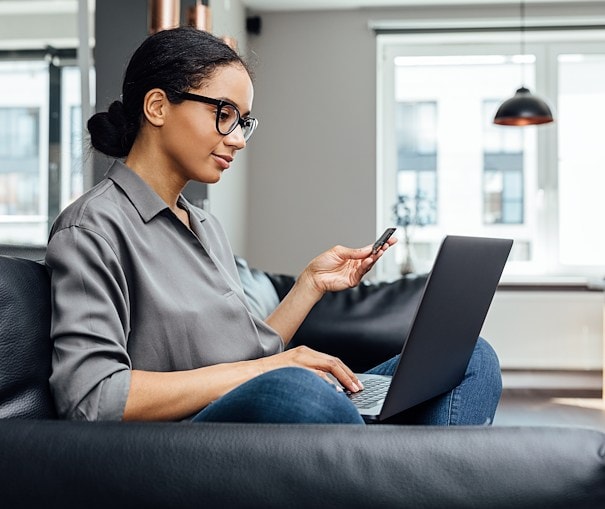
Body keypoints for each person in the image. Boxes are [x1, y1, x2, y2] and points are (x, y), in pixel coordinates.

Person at [45, 27, 501, 425]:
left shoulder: (203, 224)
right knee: (297, 390)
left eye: (243, 121)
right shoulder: (91, 230)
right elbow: (92, 396)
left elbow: (250, 355)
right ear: (158, 106)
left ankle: (390, 467)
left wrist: (310, 285)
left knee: (470, 359)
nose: (239, 139)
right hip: (184, 439)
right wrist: (271, 372)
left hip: (251, 406)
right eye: (223, 114)